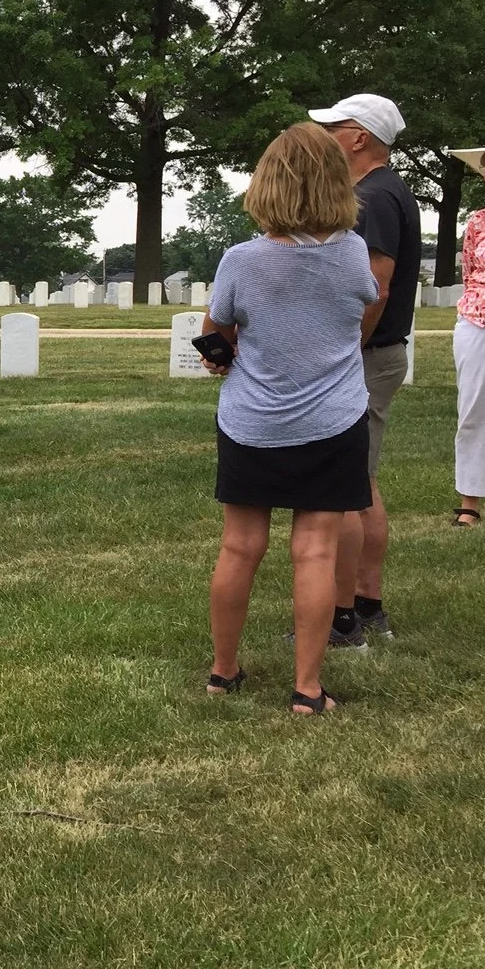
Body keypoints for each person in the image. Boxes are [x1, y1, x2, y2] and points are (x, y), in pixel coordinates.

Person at [202, 124, 378, 715]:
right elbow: (358, 311)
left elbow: (216, 333)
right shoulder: (353, 252)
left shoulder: (240, 260)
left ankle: (223, 672)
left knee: (240, 545)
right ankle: (307, 688)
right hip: (332, 415)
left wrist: (221, 357)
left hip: (252, 420)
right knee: (315, 552)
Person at [308, 94, 422, 644]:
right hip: (378, 353)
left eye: (332, 127)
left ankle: (344, 614)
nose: (324, 136)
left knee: (349, 485)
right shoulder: (386, 191)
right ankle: (368, 603)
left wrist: (345, 350)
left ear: (358, 137)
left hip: (366, 354)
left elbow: (372, 289)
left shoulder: (372, 198)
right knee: (364, 480)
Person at [445, 130, 485, 526]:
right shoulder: (479, 221)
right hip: (479, 317)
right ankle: (469, 503)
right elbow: (470, 273)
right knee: (473, 409)